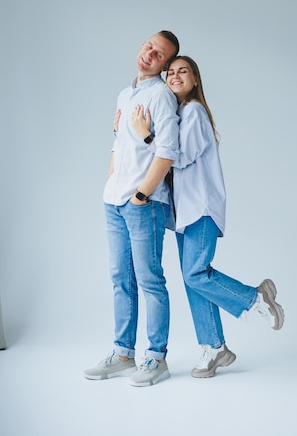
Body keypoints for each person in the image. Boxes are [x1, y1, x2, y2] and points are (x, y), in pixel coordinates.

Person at [132, 55, 285, 378]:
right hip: (184, 213)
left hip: (201, 207)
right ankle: (214, 347)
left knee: (195, 274)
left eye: (182, 71)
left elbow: (180, 156)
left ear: (196, 79)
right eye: (170, 72)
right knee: (194, 282)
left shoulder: (194, 112)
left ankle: (255, 297)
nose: (175, 76)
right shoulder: (177, 116)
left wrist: (147, 136)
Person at [84, 31, 180, 387]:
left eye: (159, 54)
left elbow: (167, 151)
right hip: (115, 200)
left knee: (150, 281)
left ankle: (156, 358)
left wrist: (141, 194)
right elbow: (118, 143)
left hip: (143, 204)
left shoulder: (161, 97)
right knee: (120, 280)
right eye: (148, 46)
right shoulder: (126, 94)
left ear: (166, 65)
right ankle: (123, 354)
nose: (149, 54)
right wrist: (111, 186)